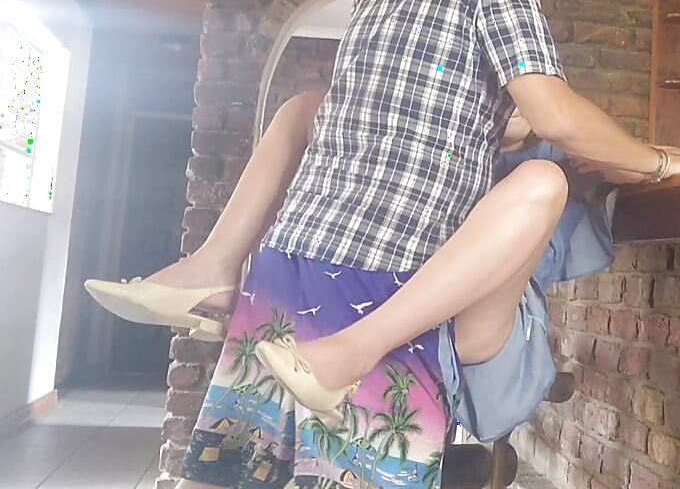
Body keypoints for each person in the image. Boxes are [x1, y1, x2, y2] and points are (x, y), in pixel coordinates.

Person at [89, 0, 680, 489]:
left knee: (229, 470)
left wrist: (518, 128)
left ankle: (212, 266)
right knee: (543, 182)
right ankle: (350, 348)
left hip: (291, 258)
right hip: (386, 281)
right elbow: (554, 115)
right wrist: (659, 163)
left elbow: (422, 112)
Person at [89, 90, 631, 440]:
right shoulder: (425, 139)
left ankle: (354, 351)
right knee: (307, 106)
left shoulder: (543, 159)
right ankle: (213, 267)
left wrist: (648, 160)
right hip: (387, 281)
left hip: (476, 334)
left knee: (542, 184)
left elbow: (591, 166)